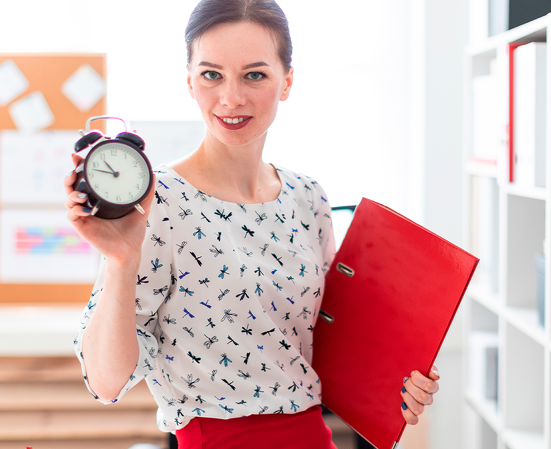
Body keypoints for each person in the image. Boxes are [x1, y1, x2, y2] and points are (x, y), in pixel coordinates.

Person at [65, 1, 440, 447]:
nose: (231, 98)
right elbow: (106, 383)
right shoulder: (157, 200)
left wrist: (396, 382)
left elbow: (330, 343)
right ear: (189, 81)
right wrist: (122, 261)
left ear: (287, 82)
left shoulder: (308, 197)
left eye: (254, 75)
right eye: (212, 74)